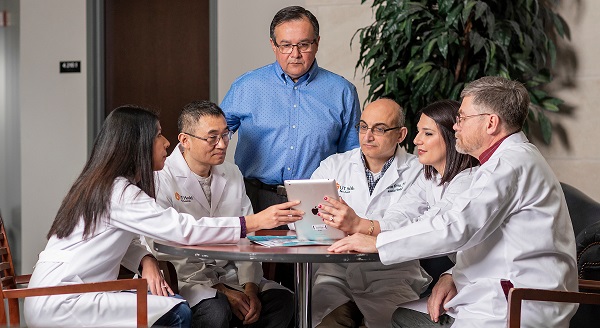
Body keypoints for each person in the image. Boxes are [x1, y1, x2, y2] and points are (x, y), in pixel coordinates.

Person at [328, 76, 579, 328]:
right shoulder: (504, 162)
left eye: (462, 118)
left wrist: (377, 242)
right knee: (403, 317)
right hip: (498, 292)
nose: (456, 126)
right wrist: (452, 275)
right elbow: (471, 235)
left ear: (491, 123)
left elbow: (456, 226)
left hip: (517, 301)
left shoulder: (508, 165)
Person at [24, 105, 302, 327]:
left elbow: (125, 239)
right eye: (158, 135)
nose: (167, 142)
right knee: (176, 312)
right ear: (137, 144)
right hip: (65, 299)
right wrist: (253, 222)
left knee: (172, 307)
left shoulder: (107, 185)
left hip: (66, 292)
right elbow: (181, 230)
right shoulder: (120, 193)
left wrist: (144, 259)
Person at [311, 99, 478, 327]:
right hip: (337, 271)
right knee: (330, 320)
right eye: (363, 127)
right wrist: (364, 228)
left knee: (395, 319)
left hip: (396, 275)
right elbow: (401, 216)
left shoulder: (457, 177)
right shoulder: (430, 177)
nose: (417, 140)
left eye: (379, 129)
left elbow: (435, 228)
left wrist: (371, 237)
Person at [148, 100, 294, 328]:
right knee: (216, 310)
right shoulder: (162, 176)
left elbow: (248, 238)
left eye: (226, 135)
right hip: (186, 278)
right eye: (212, 137)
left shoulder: (232, 172)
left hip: (231, 274)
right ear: (185, 140)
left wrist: (250, 287)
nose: (222, 144)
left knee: (282, 300)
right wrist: (222, 291)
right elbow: (169, 249)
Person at [221, 5, 361, 214]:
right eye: (286, 45)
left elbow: (352, 157)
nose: (295, 54)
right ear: (273, 45)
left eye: (304, 44)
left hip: (317, 201)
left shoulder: (343, 92)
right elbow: (213, 135)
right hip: (253, 198)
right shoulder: (246, 86)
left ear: (317, 43)